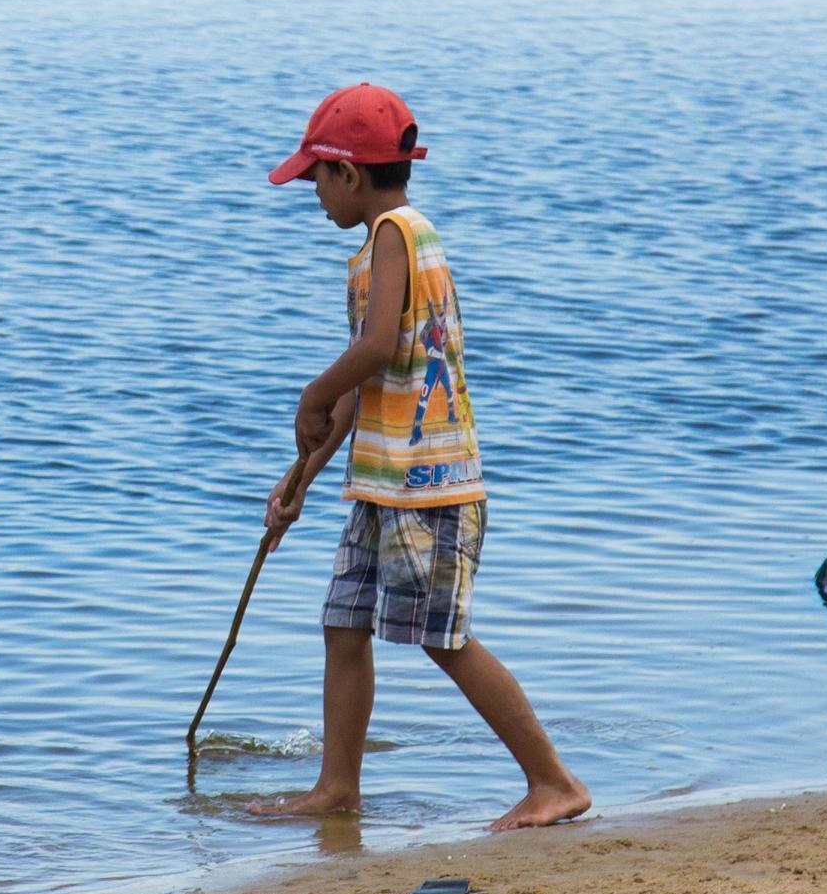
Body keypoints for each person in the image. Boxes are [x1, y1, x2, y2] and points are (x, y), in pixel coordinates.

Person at [248, 84, 592, 831]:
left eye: (316, 178)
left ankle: (553, 780)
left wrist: (308, 391)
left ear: (349, 174)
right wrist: (299, 478)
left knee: (443, 637)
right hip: (381, 482)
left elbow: (367, 351)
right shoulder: (379, 247)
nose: (313, 195)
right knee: (344, 623)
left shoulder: (398, 234)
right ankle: (338, 786)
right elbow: (365, 384)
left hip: (429, 485)